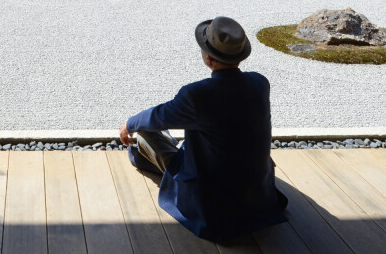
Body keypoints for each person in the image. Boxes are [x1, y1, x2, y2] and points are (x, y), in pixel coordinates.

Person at [120, 16, 288, 242]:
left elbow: (157, 116)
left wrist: (128, 124)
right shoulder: (260, 83)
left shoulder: (196, 95)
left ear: (208, 58)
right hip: (256, 192)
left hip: (212, 202)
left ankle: (144, 154)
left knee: (144, 132)